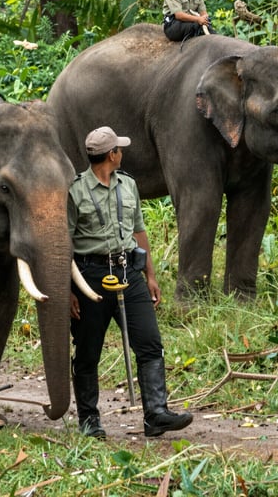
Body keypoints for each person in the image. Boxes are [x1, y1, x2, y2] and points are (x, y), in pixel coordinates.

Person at [69, 126, 193, 439]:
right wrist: (70, 290)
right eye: (119, 149)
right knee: (87, 351)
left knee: (150, 342)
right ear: (112, 155)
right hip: (90, 277)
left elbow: (139, 231)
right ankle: (89, 420)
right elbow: (64, 244)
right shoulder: (75, 191)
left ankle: (156, 414)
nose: (122, 152)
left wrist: (150, 275)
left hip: (128, 272)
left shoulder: (128, 186)